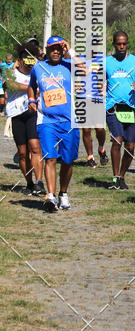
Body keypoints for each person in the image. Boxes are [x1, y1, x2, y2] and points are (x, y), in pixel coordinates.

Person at [28, 36, 81, 212]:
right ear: (47, 50)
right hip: (47, 120)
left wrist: (70, 50)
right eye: (53, 49)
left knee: (67, 160)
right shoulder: (38, 68)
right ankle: (50, 196)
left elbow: (85, 69)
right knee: (50, 157)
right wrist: (31, 99)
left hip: (69, 121)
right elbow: (31, 85)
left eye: (59, 48)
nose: (56, 51)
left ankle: (63, 193)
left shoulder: (69, 66)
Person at [105, 31, 135, 190]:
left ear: (127, 44)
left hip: (132, 109)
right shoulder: (107, 62)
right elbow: (96, 80)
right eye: (118, 44)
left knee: (130, 146)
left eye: (124, 44)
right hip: (113, 107)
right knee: (117, 140)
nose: (121, 46)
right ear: (114, 45)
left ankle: (122, 176)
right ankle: (115, 177)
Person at [5, 42, 44, 194]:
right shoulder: (11, 72)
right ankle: (29, 183)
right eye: (26, 62)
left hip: (33, 114)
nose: (29, 67)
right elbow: (11, 85)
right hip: (17, 115)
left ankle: (39, 182)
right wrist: (30, 88)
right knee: (22, 152)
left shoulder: (38, 71)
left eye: (31, 62)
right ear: (20, 60)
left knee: (35, 147)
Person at [81, 57, 107, 167]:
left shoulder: (102, 60)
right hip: (83, 98)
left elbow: (106, 76)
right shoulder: (79, 59)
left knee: (99, 128)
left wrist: (104, 90)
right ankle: (90, 157)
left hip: (97, 99)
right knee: (86, 130)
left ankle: (101, 149)